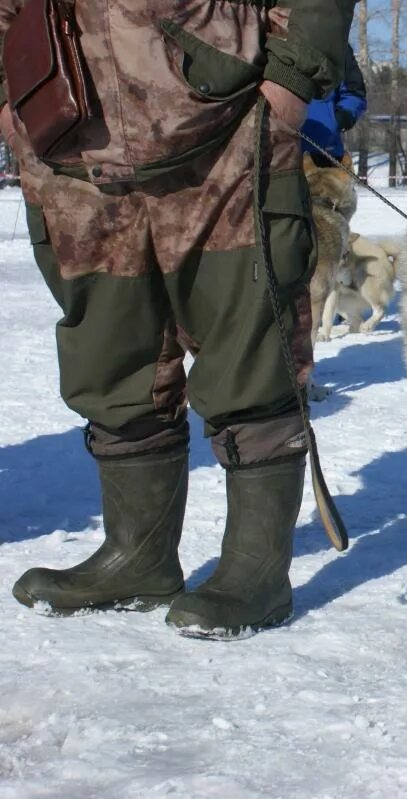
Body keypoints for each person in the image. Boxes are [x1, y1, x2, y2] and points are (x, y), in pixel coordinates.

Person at [0, 1, 355, 638]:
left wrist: (291, 80)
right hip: (70, 138)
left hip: (225, 128)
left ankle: (255, 570)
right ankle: (136, 559)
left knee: (248, 346)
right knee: (111, 360)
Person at [301, 44, 367, 168]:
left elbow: (354, 92)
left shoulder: (336, 43)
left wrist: (341, 117)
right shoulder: (267, 34)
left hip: (324, 153)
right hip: (274, 152)